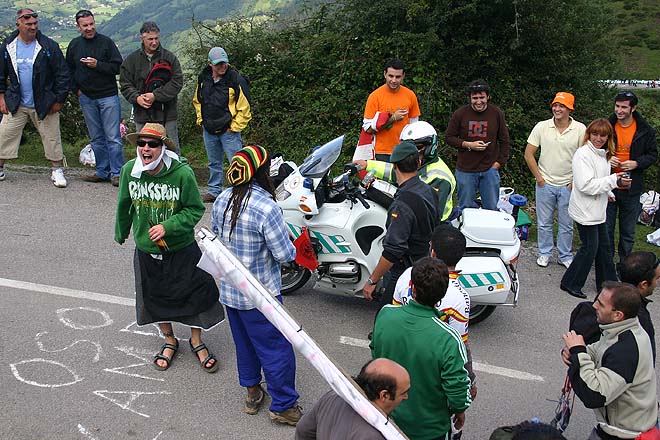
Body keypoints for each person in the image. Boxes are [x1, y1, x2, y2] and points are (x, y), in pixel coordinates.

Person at [114, 123, 224, 373]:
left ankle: (196, 341)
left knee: (195, 294)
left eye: (152, 144)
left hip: (182, 248)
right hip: (147, 249)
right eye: (141, 143)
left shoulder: (182, 174)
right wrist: (121, 232)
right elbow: (123, 204)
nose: (145, 148)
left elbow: (195, 209)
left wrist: (169, 226)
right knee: (154, 296)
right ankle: (169, 340)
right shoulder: (129, 171)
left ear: (163, 148)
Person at [211, 145, 302, 425]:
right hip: (261, 297)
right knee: (276, 349)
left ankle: (252, 393)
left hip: (230, 292)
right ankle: (284, 406)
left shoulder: (222, 199)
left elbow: (216, 241)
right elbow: (285, 255)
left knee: (245, 344)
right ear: (263, 173)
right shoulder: (267, 207)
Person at [371, 257, 472, 440]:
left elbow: (376, 355)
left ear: (413, 288)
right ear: (441, 295)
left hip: (387, 419)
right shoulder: (448, 338)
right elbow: (457, 387)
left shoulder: (386, 315)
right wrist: (460, 410)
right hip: (429, 429)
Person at [561, 282, 658, 440]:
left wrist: (578, 352)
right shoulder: (620, 329)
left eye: (600, 304)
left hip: (625, 435)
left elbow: (594, 394)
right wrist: (575, 352)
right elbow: (598, 350)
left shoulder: (625, 350)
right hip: (614, 428)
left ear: (618, 314)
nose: (594, 306)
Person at [393, 224, 476, 398]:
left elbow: (394, 314)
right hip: (431, 371)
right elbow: (460, 348)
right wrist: (470, 381)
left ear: (433, 252)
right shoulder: (460, 297)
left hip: (398, 361)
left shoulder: (408, 274)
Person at [362, 141, 439, 311]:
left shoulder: (402, 205)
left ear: (394, 166)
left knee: (385, 318)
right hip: (423, 260)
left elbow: (392, 251)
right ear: (418, 163)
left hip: (404, 270)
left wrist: (372, 281)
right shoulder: (429, 191)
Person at [0, 8, 70, 187]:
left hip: (44, 102)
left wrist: (59, 100)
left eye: (35, 24)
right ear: (18, 24)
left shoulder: (49, 46)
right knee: (4, 135)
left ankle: (57, 170)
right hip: (16, 102)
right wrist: (1, 97)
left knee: (52, 137)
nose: (33, 27)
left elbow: (62, 74)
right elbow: (0, 74)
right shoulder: (8, 45)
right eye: (29, 24)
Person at [560, 119, 627, 299]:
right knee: (590, 248)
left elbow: (600, 178)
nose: (598, 138)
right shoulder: (583, 154)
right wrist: (614, 181)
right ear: (589, 134)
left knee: (604, 247)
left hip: (598, 208)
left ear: (608, 137)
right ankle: (570, 283)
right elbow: (585, 185)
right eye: (595, 134)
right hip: (585, 210)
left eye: (603, 135)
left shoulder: (603, 155)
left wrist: (609, 191)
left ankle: (607, 285)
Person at [524, 92, 586, 269]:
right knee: (544, 223)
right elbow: (529, 154)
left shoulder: (581, 129)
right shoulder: (542, 127)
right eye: (555, 105)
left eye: (562, 106)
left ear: (570, 109)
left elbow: (584, 158)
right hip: (545, 183)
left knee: (567, 224)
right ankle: (545, 253)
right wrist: (540, 179)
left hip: (568, 184)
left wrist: (575, 180)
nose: (557, 109)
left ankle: (564, 255)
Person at [66, 9, 124, 187]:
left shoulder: (106, 43)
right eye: (85, 25)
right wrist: (77, 91)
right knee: (96, 137)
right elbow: (68, 70)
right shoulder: (75, 45)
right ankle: (102, 171)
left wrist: (97, 64)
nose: (89, 28)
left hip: (108, 96)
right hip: (86, 97)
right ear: (78, 27)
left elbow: (117, 67)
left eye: (91, 24)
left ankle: (117, 173)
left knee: (113, 137)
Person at [355, 121, 456, 221]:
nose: (411, 152)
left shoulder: (440, 178)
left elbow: (430, 214)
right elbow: (395, 172)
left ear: (431, 146)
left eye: (418, 147)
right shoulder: (417, 164)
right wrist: (367, 164)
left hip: (433, 227)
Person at [572, 251, 660, 362]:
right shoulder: (638, 317)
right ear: (643, 284)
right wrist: (577, 353)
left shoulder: (607, 297)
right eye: (657, 278)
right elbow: (644, 359)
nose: (657, 283)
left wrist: (574, 351)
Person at [295, 358, 411, 440]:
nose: (406, 397)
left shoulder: (334, 396)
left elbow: (303, 430)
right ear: (384, 395)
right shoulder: (375, 434)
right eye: (403, 393)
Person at [193, 47, 251, 203]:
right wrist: (201, 120)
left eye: (224, 63)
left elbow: (244, 108)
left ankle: (240, 192)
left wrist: (234, 127)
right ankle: (214, 191)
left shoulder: (235, 80)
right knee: (214, 162)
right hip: (209, 130)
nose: (222, 66)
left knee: (237, 162)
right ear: (210, 64)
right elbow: (197, 101)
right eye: (218, 64)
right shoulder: (203, 79)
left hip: (229, 131)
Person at [606, 90, 658, 265]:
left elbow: (653, 155)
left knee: (628, 232)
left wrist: (636, 163)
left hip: (632, 188)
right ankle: (606, 263)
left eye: (623, 107)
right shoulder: (607, 125)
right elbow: (593, 145)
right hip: (609, 186)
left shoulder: (645, 130)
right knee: (607, 229)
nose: (619, 111)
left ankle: (624, 265)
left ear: (633, 108)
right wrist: (606, 156)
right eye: (617, 106)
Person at [445, 79, 511, 211]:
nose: (479, 101)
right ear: (470, 98)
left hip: (489, 169)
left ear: (488, 97)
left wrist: (498, 164)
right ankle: (464, 232)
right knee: (465, 208)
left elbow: (504, 140)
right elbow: (449, 138)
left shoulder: (496, 113)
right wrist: (468, 144)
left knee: (491, 208)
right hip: (465, 170)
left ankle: (489, 231)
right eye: (475, 98)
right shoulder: (460, 114)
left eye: (482, 97)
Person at [120, 21, 183, 154]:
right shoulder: (131, 60)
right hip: (142, 114)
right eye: (150, 39)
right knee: (145, 150)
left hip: (167, 113)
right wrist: (137, 98)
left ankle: (176, 174)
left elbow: (177, 82)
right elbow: (125, 84)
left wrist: (155, 95)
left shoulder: (169, 58)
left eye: (156, 38)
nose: (154, 42)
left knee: (172, 150)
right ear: (142, 39)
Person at [362, 59, 420, 160]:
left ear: (403, 76)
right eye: (390, 76)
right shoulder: (375, 96)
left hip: (404, 152)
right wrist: (392, 119)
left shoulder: (410, 95)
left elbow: (414, 128)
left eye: (397, 77)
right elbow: (367, 129)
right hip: (381, 152)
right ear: (385, 74)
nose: (393, 80)